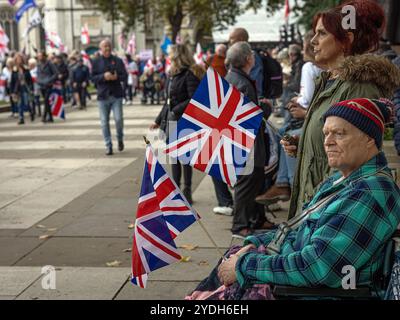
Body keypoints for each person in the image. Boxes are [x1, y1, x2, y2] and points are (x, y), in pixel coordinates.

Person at [187, 98, 400, 300]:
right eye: (326, 133)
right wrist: (251, 244)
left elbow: (316, 267)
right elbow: (296, 230)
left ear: (369, 139)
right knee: (229, 259)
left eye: (339, 133)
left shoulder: (369, 192)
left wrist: (244, 265)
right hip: (294, 276)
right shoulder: (342, 180)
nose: (328, 141)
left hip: (306, 292)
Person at [282, 0, 400, 219]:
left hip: (329, 213)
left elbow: (355, 159)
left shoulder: (359, 86)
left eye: (322, 34)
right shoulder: (329, 81)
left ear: (347, 40)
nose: (313, 42)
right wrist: (305, 145)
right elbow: (335, 142)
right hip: (312, 207)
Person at [256, 31, 323, 205]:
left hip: (315, 123)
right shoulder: (315, 67)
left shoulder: (309, 66)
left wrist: (299, 102)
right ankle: (283, 183)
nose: (295, 54)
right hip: (315, 120)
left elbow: (307, 98)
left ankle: (291, 186)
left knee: (288, 137)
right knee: (283, 133)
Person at [224, 42, 272, 238]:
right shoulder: (241, 81)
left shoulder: (235, 77)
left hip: (242, 141)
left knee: (257, 179)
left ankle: (257, 218)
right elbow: (248, 117)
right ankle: (240, 225)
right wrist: (266, 109)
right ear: (247, 59)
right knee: (248, 182)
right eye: (251, 54)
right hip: (246, 143)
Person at [150, 44, 205, 204]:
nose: (168, 57)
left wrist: (176, 109)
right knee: (173, 157)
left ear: (177, 56)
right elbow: (168, 102)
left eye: (170, 54)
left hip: (184, 121)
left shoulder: (189, 74)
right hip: (171, 120)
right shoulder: (172, 74)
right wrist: (158, 120)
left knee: (185, 157)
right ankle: (176, 190)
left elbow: (195, 99)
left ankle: (187, 190)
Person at [91, 39, 128, 156]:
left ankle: (120, 138)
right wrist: (103, 76)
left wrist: (116, 77)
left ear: (111, 48)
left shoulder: (118, 61)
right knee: (104, 123)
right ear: (100, 48)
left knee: (118, 119)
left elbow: (124, 76)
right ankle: (108, 145)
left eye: (108, 46)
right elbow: (92, 79)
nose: (106, 48)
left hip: (116, 95)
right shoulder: (96, 61)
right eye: (104, 46)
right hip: (103, 96)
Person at [10, 53, 34, 125]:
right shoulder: (14, 70)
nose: (19, 61)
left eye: (20, 59)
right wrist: (12, 92)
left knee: (26, 102)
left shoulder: (26, 69)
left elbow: (30, 80)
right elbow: (12, 82)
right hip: (18, 89)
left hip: (25, 87)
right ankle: (21, 118)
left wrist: (31, 88)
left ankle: (31, 111)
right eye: (17, 59)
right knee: (20, 103)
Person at [37, 51, 58, 123]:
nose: (39, 57)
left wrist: (49, 80)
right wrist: (38, 80)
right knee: (46, 101)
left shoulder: (50, 64)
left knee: (46, 100)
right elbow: (38, 74)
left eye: (40, 56)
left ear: (44, 56)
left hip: (49, 85)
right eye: (38, 56)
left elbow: (56, 73)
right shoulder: (39, 65)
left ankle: (44, 116)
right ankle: (51, 117)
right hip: (42, 85)